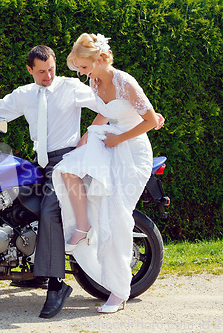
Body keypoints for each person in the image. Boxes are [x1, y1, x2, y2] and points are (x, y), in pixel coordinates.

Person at [0, 45, 164, 318]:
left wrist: (141, 120)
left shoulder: (72, 87)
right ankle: (37, 271)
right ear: (30, 70)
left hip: (69, 160)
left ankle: (56, 285)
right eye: (41, 72)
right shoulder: (24, 95)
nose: (48, 76)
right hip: (42, 163)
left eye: (51, 69)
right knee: (19, 206)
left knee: (49, 211)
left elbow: (109, 103)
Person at [52, 33, 159, 314]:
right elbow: (104, 112)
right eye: (78, 68)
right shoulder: (94, 80)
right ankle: (83, 226)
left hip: (132, 151)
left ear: (99, 59)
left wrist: (118, 139)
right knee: (67, 170)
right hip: (109, 140)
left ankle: (119, 292)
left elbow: (149, 120)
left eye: (83, 67)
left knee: (116, 217)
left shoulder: (125, 82)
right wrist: (85, 138)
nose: (81, 73)